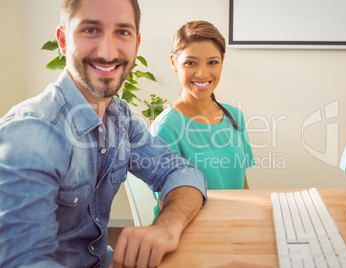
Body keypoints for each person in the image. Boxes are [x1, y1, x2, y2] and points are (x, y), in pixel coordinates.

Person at [0, 0, 207, 267]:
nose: (108, 52)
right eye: (90, 30)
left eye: (122, 32)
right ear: (63, 40)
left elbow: (181, 173)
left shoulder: (121, 117)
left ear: (136, 45)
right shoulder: (31, 133)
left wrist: (166, 227)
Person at [150, 21, 254, 215]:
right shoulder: (165, 128)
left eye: (212, 62)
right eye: (191, 63)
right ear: (174, 63)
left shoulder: (235, 117)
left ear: (222, 61)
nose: (202, 73)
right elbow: (169, 207)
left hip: (234, 222)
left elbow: (242, 184)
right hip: (190, 232)